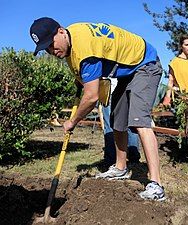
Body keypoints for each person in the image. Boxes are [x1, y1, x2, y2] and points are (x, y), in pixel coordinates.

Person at [30, 17, 165, 201]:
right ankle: (120, 168)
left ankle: (156, 185)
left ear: (61, 31)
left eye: (51, 44)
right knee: (117, 118)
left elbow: (92, 96)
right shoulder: (72, 45)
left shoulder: (85, 49)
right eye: (46, 49)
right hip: (129, 71)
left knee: (139, 120)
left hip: (145, 64)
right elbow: (86, 79)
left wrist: (72, 121)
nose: (51, 51)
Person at [101, 77, 140, 165]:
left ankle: (111, 159)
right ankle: (134, 158)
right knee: (131, 125)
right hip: (129, 89)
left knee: (110, 127)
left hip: (109, 91)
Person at [162, 34, 188, 106]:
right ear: (181, 46)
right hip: (182, 97)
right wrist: (167, 98)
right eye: (186, 45)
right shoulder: (174, 62)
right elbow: (170, 81)